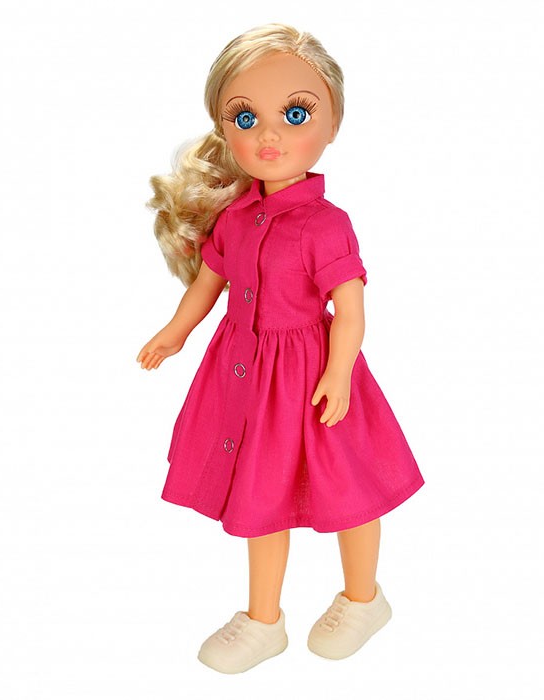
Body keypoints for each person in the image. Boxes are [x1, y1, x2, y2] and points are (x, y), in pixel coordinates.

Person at [136, 23, 425, 674]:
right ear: (223, 126)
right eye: (246, 117)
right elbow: (209, 282)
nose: (269, 136)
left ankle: (364, 598)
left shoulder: (327, 225)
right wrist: (176, 331)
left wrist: (340, 372)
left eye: (295, 114)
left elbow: (350, 309)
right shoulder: (236, 216)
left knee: (347, 485)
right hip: (244, 374)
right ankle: (263, 618)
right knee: (257, 490)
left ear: (332, 123)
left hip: (311, 374)